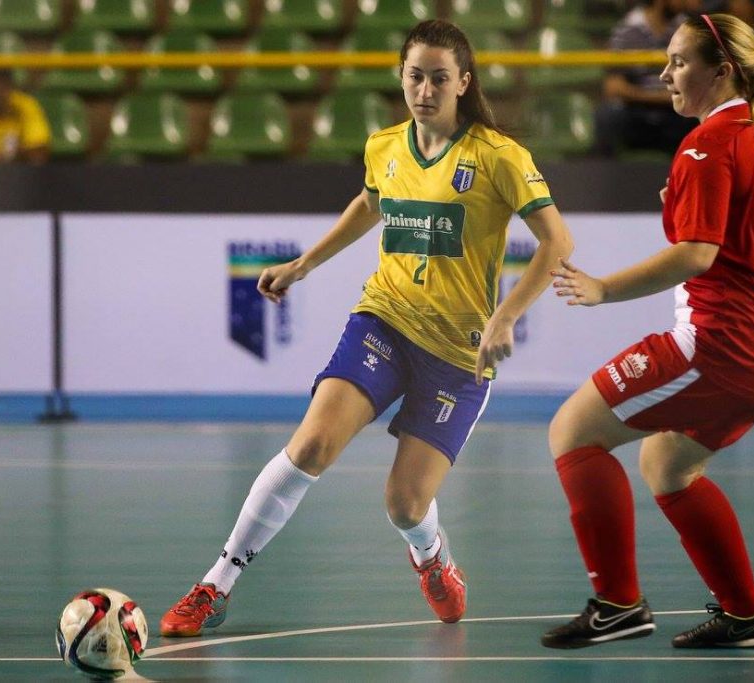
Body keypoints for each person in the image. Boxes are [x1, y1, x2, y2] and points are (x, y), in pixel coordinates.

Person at [159, 19, 573, 636]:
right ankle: (216, 584)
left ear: (463, 82)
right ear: (401, 79)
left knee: (405, 505)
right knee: (310, 447)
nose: (425, 89)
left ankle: (431, 556)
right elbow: (370, 203)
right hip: (383, 319)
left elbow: (557, 242)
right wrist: (304, 264)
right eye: (415, 76)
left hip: (457, 359)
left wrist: (506, 315)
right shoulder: (385, 146)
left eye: (439, 78)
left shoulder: (497, 157)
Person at [540, 12, 754, 650]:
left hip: (720, 344)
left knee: (572, 433)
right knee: (666, 464)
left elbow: (696, 255)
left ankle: (617, 603)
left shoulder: (705, 144)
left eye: (679, 63)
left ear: (721, 73)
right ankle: (747, 615)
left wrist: (604, 287)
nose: (664, 75)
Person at [594, 0, 699, 157]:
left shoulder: (689, 31)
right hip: (637, 112)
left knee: (702, 117)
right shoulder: (628, 30)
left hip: (675, 113)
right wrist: (657, 96)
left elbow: (695, 87)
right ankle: (603, 176)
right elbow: (613, 86)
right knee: (608, 115)